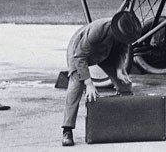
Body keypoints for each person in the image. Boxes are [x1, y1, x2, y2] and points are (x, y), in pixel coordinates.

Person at [61, 11, 142, 146]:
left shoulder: (127, 31)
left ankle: (123, 123)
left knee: (125, 85)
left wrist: (118, 70)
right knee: (76, 86)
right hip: (80, 55)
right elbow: (80, 57)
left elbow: (122, 51)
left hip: (106, 55)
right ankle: (67, 130)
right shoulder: (98, 31)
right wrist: (89, 84)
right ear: (116, 30)